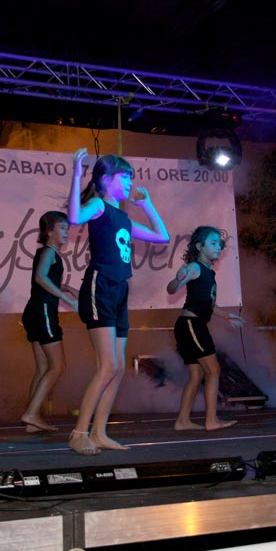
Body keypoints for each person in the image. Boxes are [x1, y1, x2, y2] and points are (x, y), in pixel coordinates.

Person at [67, 148, 169, 455]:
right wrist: (76, 174)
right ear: (106, 179)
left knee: (120, 367)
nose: (129, 183)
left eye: (130, 178)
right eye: (125, 177)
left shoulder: (123, 217)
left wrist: (147, 204)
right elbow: (74, 217)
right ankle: (79, 433)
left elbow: (162, 236)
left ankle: (99, 433)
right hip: (100, 285)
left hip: (119, 290)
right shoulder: (99, 205)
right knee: (108, 364)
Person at [167, 226, 245, 431]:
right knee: (213, 370)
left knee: (197, 374)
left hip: (190, 326)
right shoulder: (195, 267)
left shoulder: (208, 272)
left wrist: (227, 316)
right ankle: (211, 420)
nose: (218, 247)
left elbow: (209, 305)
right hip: (191, 325)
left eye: (220, 244)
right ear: (199, 246)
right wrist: (178, 278)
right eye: (213, 243)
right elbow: (172, 289)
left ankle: (182, 421)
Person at [19, 210, 78, 433]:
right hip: (42, 311)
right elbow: (40, 277)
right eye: (62, 228)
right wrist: (66, 299)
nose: (66, 232)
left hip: (35, 311)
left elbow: (46, 278)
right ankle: (31, 413)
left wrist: (67, 288)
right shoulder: (48, 252)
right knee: (58, 365)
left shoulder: (49, 254)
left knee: (43, 367)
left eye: (67, 228)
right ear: (49, 231)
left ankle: (31, 421)